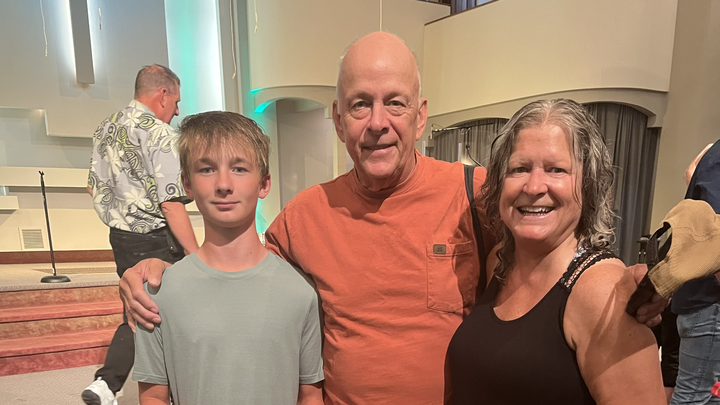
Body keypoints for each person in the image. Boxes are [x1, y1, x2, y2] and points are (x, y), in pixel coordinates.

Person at [117, 33, 666, 405]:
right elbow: (239, 273)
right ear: (338, 120)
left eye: (395, 103)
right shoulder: (306, 215)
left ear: (421, 115)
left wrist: (624, 284)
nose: (378, 122)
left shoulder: (478, 195)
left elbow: (554, 246)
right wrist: (158, 271)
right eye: (360, 104)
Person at [447, 99, 665, 404]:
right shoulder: (499, 260)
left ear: (588, 185)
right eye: (519, 169)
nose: (534, 186)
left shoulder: (602, 289)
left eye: (557, 170)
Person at [132, 111, 324, 405]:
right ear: (187, 184)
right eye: (207, 169)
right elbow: (153, 396)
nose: (223, 184)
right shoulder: (158, 294)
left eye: (239, 169)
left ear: (264, 184)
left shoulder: (300, 292)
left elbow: (309, 395)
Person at [84, 64, 198, 405]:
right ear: (162, 94)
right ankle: (115, 384)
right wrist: (196, 255)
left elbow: (92, 187)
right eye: (176, 101)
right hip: (156, 237)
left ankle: (107, 385)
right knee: (163, 314)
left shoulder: (106, 128)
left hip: (120, 237)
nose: (176, 111)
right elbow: (171, 203)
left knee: (136, 309)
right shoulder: (160, 133)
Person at [671, 140, 720, 405]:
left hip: (704, 302)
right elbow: (714, 232)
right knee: (692, 397)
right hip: (709, 304)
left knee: (710, 396)